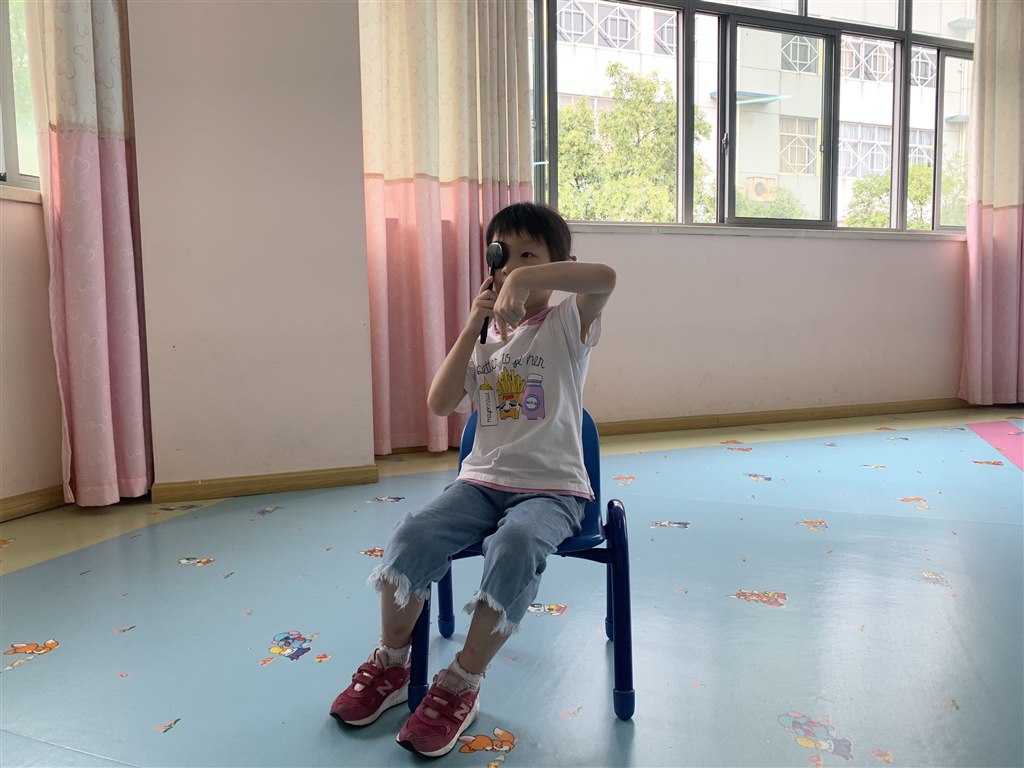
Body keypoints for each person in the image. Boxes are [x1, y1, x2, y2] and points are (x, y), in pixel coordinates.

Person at [329, 202, 616, 757]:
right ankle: (392, 664)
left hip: (553, 488)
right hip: (481, 484)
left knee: (516, 543)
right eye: (505, 256)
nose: (514, 268)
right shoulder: (486, 339)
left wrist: (528, 279)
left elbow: (605, 277)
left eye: (530, 255)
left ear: (558, 265)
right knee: (411, 535)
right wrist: (470, 328)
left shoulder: (567, 323)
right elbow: (440, 403)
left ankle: (461, 682)